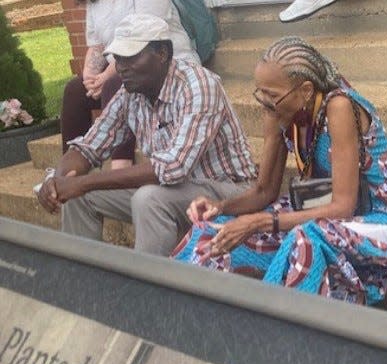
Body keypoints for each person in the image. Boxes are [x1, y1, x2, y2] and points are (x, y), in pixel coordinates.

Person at [172, 36, 387, 305]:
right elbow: (264, 191)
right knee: (215, 229)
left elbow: (343, 206)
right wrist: (221, 207)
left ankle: (277, 325)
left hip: (386, 215)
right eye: (259, 91)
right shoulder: (279, 111)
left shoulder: (339, 107)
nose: (264, 102)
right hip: (327, 207)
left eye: (271, 95)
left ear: (306, 91)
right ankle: (182, 312)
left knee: (305, 238)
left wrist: (259, 222)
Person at [36, 14, 257, 256]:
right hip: (172, 192)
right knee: (79, 197)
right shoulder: (131, 92)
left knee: (148, 198)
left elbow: (174, 167)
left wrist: (81, 182)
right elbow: (89, 147)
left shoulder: (199, 86)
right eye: (118, 59)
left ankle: (150, 289)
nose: (122, 68)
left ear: (162, 53)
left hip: (227, 192)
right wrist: (58, 183)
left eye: (131, 58)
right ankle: (84, 283)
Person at [61, 0, 200, 171]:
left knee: (116, 83)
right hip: (123, 67)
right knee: (75, 90)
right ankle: (70, 170)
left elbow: (147, 41)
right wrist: (90, 75)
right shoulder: (95, 3)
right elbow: (96, 45)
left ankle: (121, 166)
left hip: (163, 64)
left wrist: (106, 76)